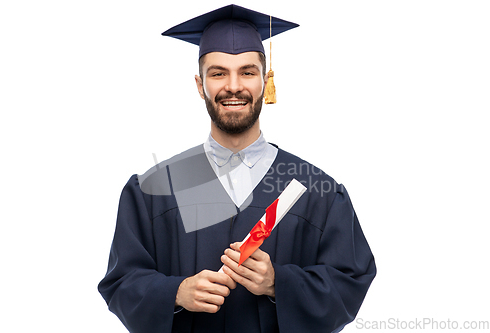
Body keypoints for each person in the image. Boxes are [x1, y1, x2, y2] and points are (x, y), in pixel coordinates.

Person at [98, 4, 376, 333]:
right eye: (218, 73)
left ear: (264, 81)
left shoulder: (317, 190)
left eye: (247, 72)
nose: (233, 86)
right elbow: (121, 282)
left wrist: (279, 283)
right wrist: (175, 293)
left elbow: (350, 281)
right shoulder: (157, 189)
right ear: (200, 85)